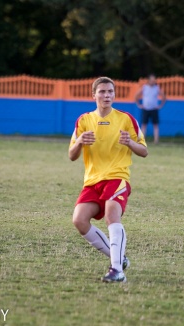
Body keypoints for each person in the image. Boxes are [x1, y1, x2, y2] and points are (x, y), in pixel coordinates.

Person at [69, 77, 148, 283]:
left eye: (110, 91)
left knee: (112, 216)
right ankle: (119, 258)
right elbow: (71, 155)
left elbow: (144, 151)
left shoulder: (126, 119)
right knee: (79, 220)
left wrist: (129, 142)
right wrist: (79, 142)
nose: (107, 95)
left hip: (117, 177)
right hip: (92, 181)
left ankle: (116, 270)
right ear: (93, 95)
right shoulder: (84, 120)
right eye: (102, 91)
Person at [135, 74, 166, 144]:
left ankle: (156, 141)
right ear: (148, 80)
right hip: (146, 109)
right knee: (144, 125)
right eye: (151, 80)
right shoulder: (144, 87)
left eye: (154, 80)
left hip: (154, 109)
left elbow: (164, 97)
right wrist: (139, 105)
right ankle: (141, 140)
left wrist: (160, 105)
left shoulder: (157, 88)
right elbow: (136, 96)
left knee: (155, 125)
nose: (153, 81)